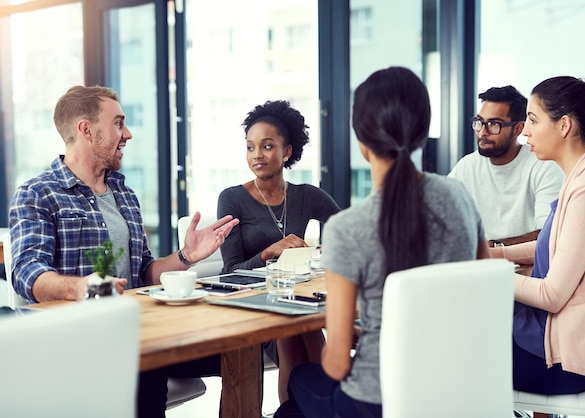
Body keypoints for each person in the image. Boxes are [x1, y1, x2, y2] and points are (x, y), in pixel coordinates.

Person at [8, 85, 239, 418]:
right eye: (118, 123)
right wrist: (82, 288)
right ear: (86, 130)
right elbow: (27, 274)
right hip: (79, 339)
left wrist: (186, 256)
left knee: (237, 345)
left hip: (139, 328)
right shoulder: (37, 194)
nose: (127, 134)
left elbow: (143, 270)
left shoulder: (124, 193)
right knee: (145, 360)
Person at [273, 66, 490, 418]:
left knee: (298, 384)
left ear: (361, 141)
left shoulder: (348, 228)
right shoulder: (460, 196)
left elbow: (338, 364)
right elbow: (481, 288)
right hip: (455, 391)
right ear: (422, 130)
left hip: (378, 402)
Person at [492, 76, 585, 415]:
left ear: (564, 125)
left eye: (533, 120)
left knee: (451, 351)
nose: (525, 133)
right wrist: (498, 254)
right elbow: (554, 243)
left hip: (566, 360)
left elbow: (552, 294)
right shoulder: (583, 176)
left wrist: (490, 272)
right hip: (553, 339)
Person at [217, 99, 341, 403]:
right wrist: (269, 252)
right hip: (253, 307)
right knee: (294, 331)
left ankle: (318, 407)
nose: (257, 155)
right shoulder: (232, 199)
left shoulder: (306, 196)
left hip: (293, 299)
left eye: (267, 146)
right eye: (250, 147)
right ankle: (311, 408)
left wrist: (322, 248)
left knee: (306, 326)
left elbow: (347, 228)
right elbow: (229, 272)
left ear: (286, 152)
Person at [449, 85, 564, 247]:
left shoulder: (543, 167)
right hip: (477, 265)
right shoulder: (467, 166)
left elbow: (548, 233)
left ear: (518, 128)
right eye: (480, 122)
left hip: (525, 269)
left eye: (494, 124)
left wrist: (491, 247)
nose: (483, 132)